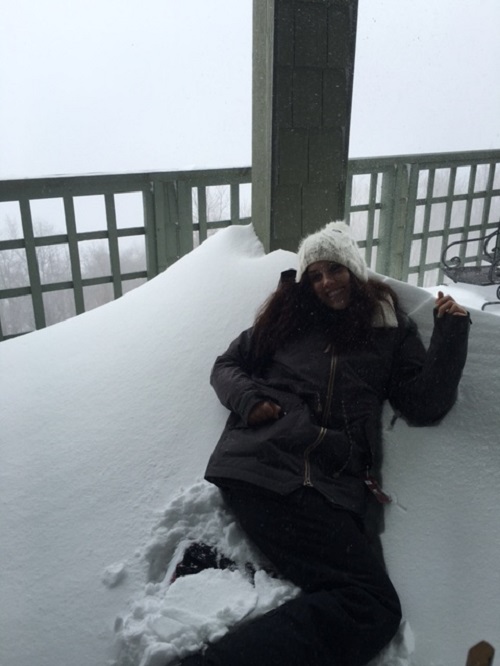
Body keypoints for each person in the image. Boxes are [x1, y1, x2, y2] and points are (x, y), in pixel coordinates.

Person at [175, 221, 470, 666]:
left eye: (335, 270)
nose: (326, 283)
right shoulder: (288, 320)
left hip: (322, 485)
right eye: (314, 275)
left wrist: (450, 334)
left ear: (354, 269)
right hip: (265, 465)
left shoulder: (388, 330)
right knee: (369, 604)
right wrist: (251, 400)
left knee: (359, 597)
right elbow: (226, 366)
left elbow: (425, 403)